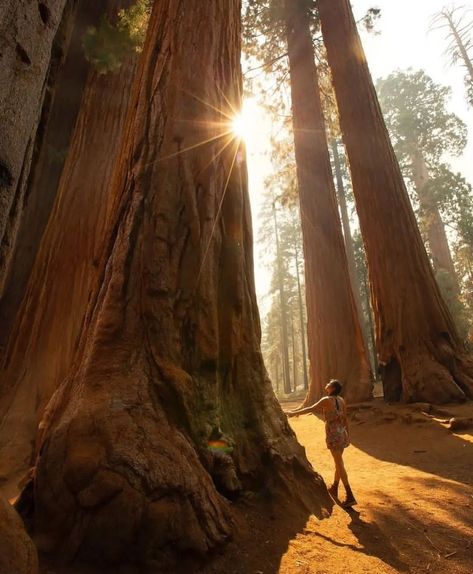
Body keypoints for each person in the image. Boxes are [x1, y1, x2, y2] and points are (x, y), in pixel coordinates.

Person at [286, 379, 356, 508]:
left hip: (333, 434)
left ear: (333, 388)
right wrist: (348, 435)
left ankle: (350, 495)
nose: (327, 384)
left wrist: (293, 413)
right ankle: (334, 487)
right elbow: (345, 418)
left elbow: (311, 408)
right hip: (342, 432)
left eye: (329, 383)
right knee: (338, 462)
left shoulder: (326, 400)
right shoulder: (341, 400)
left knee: (339, 463)